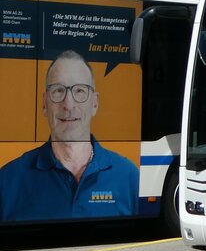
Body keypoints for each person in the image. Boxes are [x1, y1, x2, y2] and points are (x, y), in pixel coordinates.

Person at [0, 49, 139, 222]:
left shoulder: (128, 177)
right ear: (44, 104)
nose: (68, 104)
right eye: (58, 90)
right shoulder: (7, 181)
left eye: (80, 91)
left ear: (95, 103)